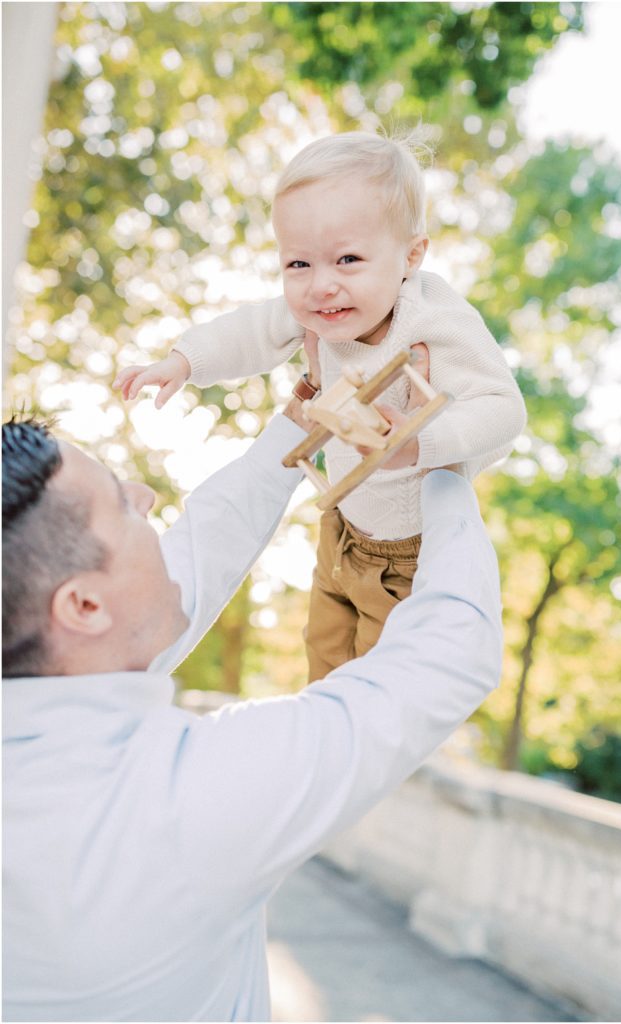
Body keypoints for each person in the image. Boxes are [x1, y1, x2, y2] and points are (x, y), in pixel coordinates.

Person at [2, 394, 503, 1022]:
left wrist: (297, 426)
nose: (145, 496)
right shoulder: (184, 801)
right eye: (120, 505)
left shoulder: (49, 669)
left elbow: (188, 560)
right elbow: (450, 650)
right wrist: (441, 466)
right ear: (82, 608)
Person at [114, 129, 526, 682]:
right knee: (324, 661)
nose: (320, 286)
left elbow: (503, 406)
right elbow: (250, 330)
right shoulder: (318, 313)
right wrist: (184, 362)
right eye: (297, 265)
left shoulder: (433, 319)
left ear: (411, 255)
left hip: (407, 554)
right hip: (341, 529)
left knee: (376, 685)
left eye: (348, 259)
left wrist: (421, 440)